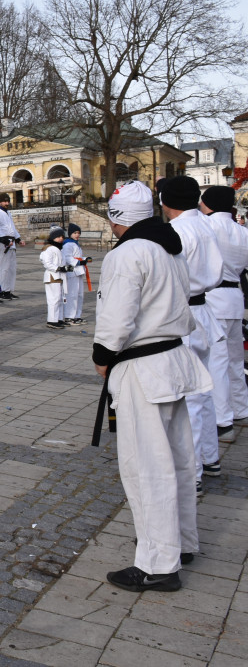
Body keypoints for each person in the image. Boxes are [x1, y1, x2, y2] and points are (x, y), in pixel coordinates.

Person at [93, 179, 210, 592]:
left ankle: (158, 563)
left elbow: (117, 315)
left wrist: (103, 355)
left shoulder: (129, 253)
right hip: (173, 359)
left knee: (147, 467)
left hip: (143, 367)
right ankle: (182, 541)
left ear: (116, 218)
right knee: (178, 458)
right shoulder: (168, 245)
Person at [160, 176, 225, 487]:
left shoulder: (178, 230)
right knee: (203, 390)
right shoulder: (204, 225)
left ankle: (193, 470)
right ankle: (209, 457)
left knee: (189, 398)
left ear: (165, 201)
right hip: (201, 309)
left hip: (184, 311)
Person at [200, 186, 248, 442]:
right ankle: (241, 408)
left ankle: (222, 420)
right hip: (234, 297)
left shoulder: (207, 227)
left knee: (217, 360)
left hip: (214, 296)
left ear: (208, 204)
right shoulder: (242, 232)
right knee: (234, 358)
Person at [0, 193, 23, 299]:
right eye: (5, 201)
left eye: (8, 201)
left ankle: (8, 290)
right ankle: (1, 290)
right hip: (3, 243)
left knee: (11, 268)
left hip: (11, 242)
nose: (7, 203)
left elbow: (12, 227)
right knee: (3, 267)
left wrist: (18, 239)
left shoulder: (8, 212)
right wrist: (4, 241)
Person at [61, 224, 90, 325]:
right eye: (75, 233)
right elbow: (68, 257)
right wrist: (78, 262)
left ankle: (77, 315)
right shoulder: (68, 244)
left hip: (79, 271)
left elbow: (77, 256)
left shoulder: (76, 244)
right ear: (70, 234)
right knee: (72, 294)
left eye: (78, 233)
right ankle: (69, 316)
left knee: (79, 294)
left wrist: (84, 259)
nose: (77, 235)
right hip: (72, 272)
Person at [41, 227, 69, 329]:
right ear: (53, 237)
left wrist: (65, 268)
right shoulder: (49, 248)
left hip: (59, 276)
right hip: (52, 276)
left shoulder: (59, 248)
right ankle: (52, 320)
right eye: (58, 237)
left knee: (60, 298)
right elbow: (47, 263)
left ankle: (59, 318)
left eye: (62, 236)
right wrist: (58, 268)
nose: (60, 238)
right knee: (54, 299)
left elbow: (63, 262)